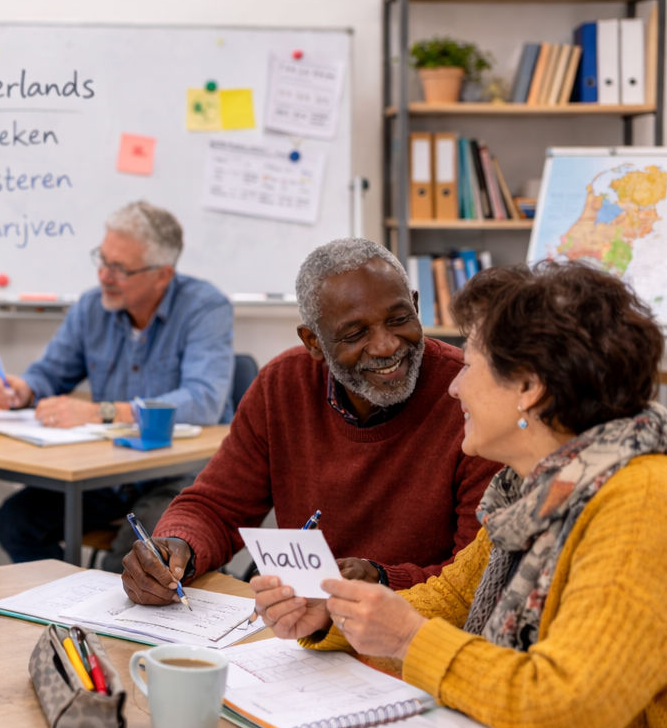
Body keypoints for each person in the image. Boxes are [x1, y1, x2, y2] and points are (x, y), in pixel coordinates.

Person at [252, 261, 667, 728]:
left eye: (470, 365)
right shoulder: (534, 490)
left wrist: (409, 639)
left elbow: (567, 705)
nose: (453, 387)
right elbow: (450, 599)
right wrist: (331, 612)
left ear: (528, 388)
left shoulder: (643, 502)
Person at [122, 237, 499, 606]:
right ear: (313, 342)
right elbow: (217, 505)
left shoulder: (468, 395)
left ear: (416, 307)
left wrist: (381, 580)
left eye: (399, 319)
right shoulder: (282, 385)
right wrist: (176, 548)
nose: (386, 346)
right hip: (298, 623)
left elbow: (477, 579)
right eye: (355, 334)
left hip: (416, 628)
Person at [0, 201, 235, 564]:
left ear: (162, 275)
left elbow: (203, 401)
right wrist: (24, 389)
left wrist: (101, 412)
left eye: (119, 268)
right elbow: (51, 373)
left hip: (177, 476)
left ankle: (100, 598)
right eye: (102, 260)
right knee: (15, 522)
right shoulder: (92, 307)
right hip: (111, 473)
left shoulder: (205, 308)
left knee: (129, 561)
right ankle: (67, 598)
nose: (104, 275)